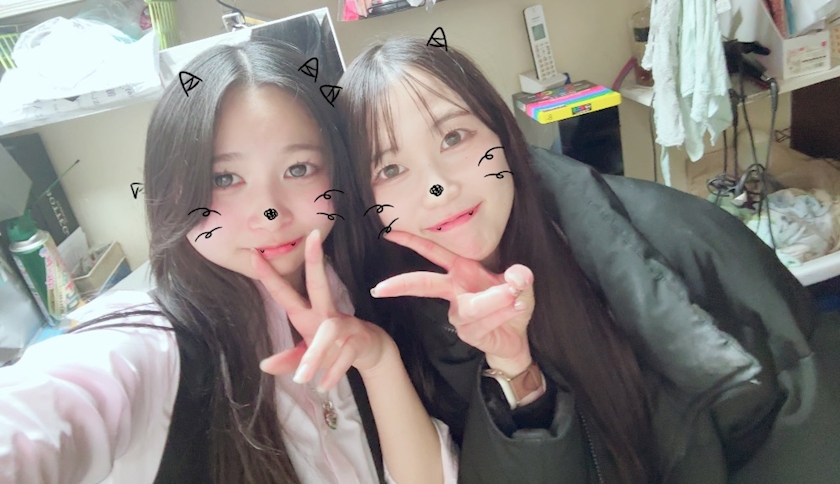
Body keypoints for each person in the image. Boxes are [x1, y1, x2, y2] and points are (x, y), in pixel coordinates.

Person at [335, 36, 840, 484]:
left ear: (501, 134)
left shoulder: (672, 237)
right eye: (391, 169)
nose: (438, 187)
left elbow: (806, 415)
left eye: (453, 137)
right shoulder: (404, 325)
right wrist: (514, 372)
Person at [0, 38, 458, 484]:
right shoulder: (152, 344)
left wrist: (378, 360)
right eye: (225, 178)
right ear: (172, 187)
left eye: (299, 168)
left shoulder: (380, 289)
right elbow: (42, 414)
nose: (270, 212)